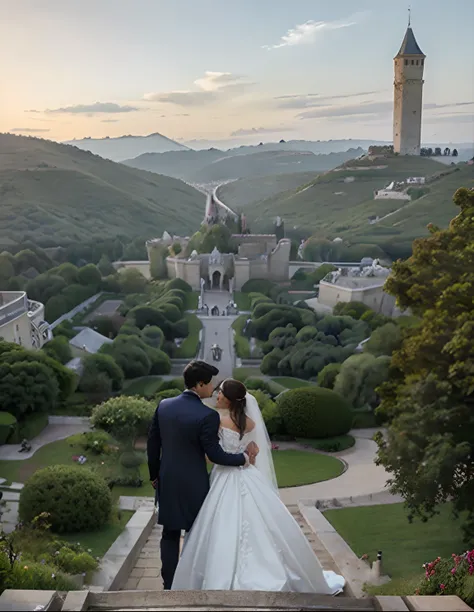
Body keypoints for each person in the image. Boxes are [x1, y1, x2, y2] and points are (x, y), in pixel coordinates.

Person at [172, 379, 345, 594]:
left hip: (224, 476)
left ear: (227, 398)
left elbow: (212, 456)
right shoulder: (250, 424)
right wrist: (247, 455)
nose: (217, 396)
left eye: (220, 393)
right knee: (262, 520)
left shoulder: (217, 420)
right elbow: (252, 454)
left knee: (219, 522)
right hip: (247, 474)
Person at [147, 361, 258, 590]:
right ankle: (188, 581)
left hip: (167, 480)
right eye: (210, 385)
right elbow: (215, 454)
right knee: (194, 533)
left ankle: (168, 586)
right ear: (200, 384)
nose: (213, 389)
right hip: (195, 484)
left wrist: (154, 475)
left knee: (169, 534)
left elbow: (152, 444)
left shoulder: (164, 406)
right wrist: (243, 459)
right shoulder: (207, 415)